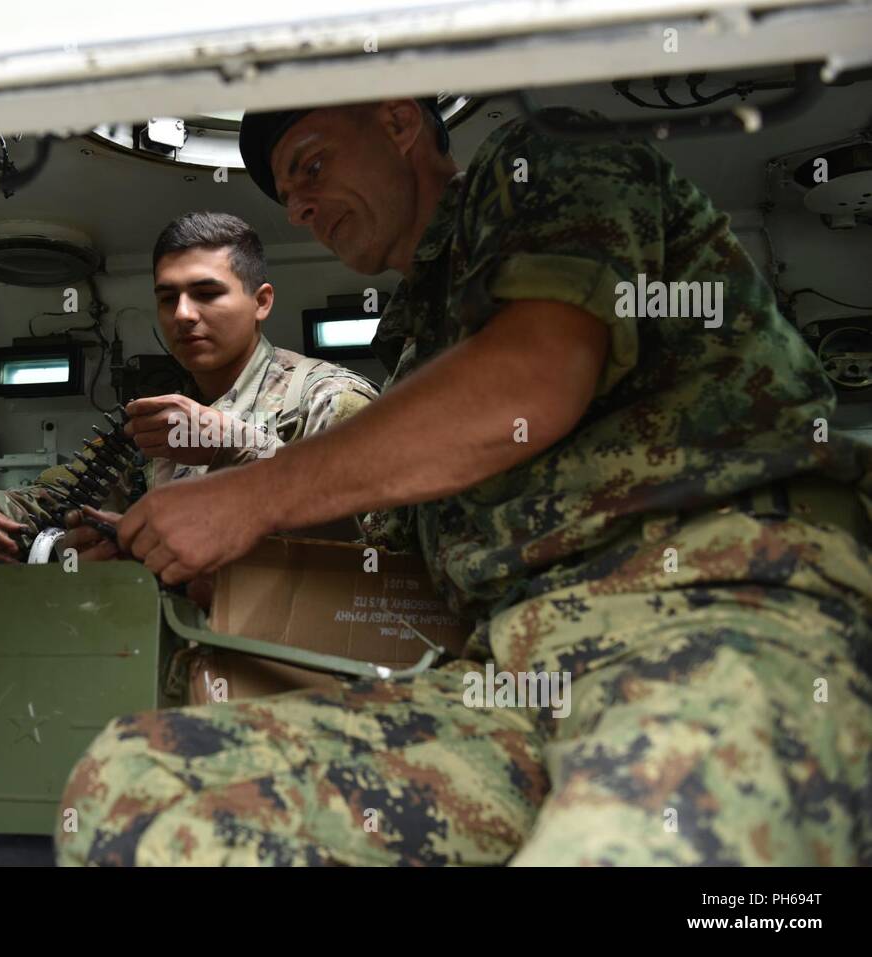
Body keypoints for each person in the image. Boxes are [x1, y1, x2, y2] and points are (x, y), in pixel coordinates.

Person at [55, 98, 872, 865]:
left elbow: (532, 378)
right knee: (133, 786)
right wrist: (208, 558)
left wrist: (244, 492)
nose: (299, 206)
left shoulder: (548, 159)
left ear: (399, 120)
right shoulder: (418, 353)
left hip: (720, 617)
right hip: (507, 681)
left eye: (309, 165)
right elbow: (384, 551)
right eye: (286, 197)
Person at [0, 210, 378, 560]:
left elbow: (376, 547)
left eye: (206, 293)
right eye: (168, 298)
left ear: (261, 302)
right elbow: (50, 503)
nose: (183, 314)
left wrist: (237, 449)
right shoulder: (155, 420)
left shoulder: (327, 399)